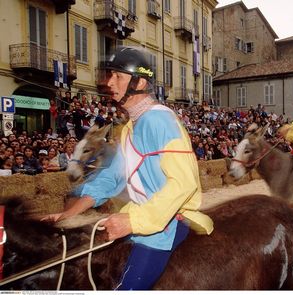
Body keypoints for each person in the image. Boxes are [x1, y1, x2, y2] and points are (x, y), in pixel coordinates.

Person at [42, 46, 213, 290]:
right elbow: (111, 178)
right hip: (143, 218)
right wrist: (69, 214)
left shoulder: (159, 120)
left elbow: (183, 184)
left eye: (118, 77)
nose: (110, 82)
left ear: (140, 82)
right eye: (109, 75)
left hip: (166, 223)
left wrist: (133, 222)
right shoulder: (130, 127)